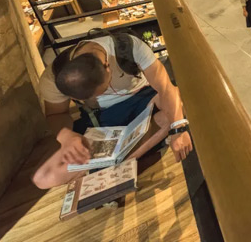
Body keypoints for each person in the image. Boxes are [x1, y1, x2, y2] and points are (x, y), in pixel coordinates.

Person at [31, 33, 193, 189]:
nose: (100, 95)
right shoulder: (53, 77)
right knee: (44, 177)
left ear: (107, 66)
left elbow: (166, 88)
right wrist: (66, 137)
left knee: (178, 102)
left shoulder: (129, 47)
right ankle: (123, 161)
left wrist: (178, 128)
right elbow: (56, 114)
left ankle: (108, 168)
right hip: (101, 118)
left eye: (101, 90)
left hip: (143, 101)